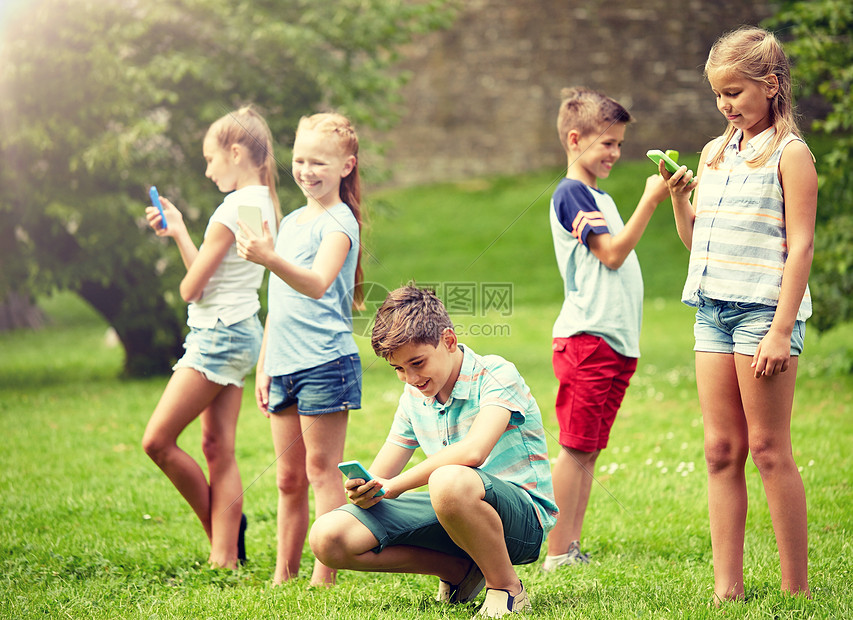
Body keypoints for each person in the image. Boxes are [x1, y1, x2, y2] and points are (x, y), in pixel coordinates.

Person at [662, 27, 815, 603]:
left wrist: (780, 330)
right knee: (720, 449)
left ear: (770, 86)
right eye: (718, 95)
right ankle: (729, 590)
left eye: (735, 92)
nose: (726, 105)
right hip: (712, 310)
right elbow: (695, 239)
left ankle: (795, 591)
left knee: (770, 450)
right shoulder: (715, 151)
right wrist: (680, 197)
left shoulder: (790, 154)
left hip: (763, 316)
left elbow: (800, 247)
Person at [308, 285, 558, 618]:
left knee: (448, 480)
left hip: (521, 522)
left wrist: (395, 486)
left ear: (449, 341)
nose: (410, 378)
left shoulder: (496, 374)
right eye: (399, 369)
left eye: (417, 363)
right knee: (329, 537)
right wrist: (367, 489)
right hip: (452, 510)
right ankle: (459, 573)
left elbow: (473, 452)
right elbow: (384, 473)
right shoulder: (415, 396)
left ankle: (507, 588)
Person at [142, 105, 280, 569]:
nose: (207, 169)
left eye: (210, 158)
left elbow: (191, 288)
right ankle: (225, 555)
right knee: (217, 447)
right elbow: (211, 277)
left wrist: (183, 239)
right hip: (242, 332)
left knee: (157, 441)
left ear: (235, 152)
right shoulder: (264, 202)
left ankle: (224, 534)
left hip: (217, 336)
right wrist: (180, 229)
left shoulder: (231, 208)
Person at [541, 87, 671, 572]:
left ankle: (569, 548)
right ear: (575, 140)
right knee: (575, 447)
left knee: (589, 449)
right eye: (607, 144)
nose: (615, 153)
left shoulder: (598, 195)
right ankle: (556, 550)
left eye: (619, 144)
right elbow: (611, 253)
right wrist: (651, 200)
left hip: (614, 342)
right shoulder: (570, 192)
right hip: (587, 339)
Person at [236, 112, 364, 586]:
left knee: (320, 471)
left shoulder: (340, 222)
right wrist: (265, 365)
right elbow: (279, 303)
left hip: (325, 364)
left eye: (320, 162)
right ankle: (283, 575)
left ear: (346, 166)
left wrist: (269, 257)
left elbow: (314, 284)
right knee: (287, 479)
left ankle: (324, 577)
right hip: (285, 365)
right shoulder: (290, 223)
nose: (307, 170)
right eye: (300, 160)